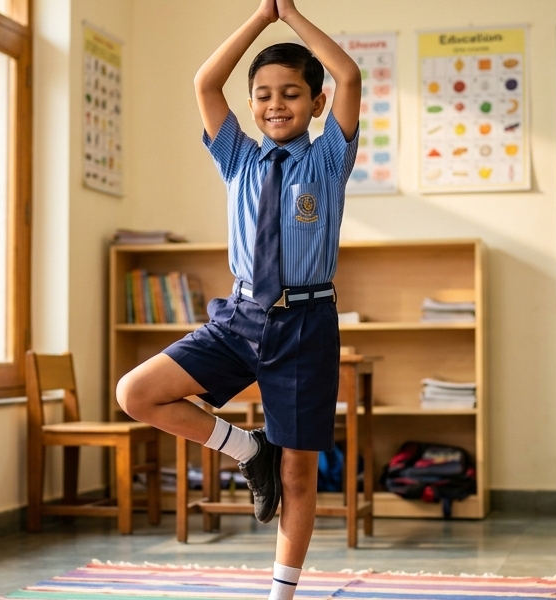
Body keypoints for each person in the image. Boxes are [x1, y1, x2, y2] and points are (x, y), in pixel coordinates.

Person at [115, 0, 359, 598]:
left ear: (317, 104)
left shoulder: (329, 159)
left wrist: (292, 14)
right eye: (264, 94)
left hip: (306, 323)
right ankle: (247, 450)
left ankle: (282, 593)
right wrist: (260, 15)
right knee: (135, 392)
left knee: (299, 472)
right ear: (250, 105)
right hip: (239, 317)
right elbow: (205, 81)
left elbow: (349, 74)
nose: (277, 104)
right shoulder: (237, 158)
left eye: (293, 93)